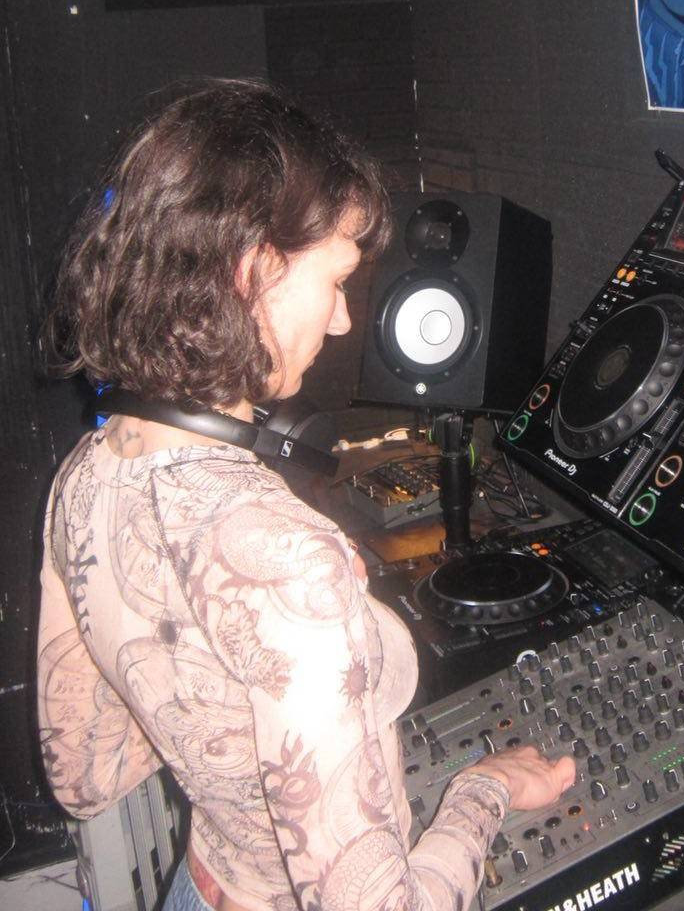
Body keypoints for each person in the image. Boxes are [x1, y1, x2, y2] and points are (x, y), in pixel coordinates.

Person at [37, 79, 575, 911]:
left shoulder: (84, 474)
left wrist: (226, 697)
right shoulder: (290, 562)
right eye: (336, 281)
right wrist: (487, 788)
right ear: (255, 272)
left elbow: (85, 771)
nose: (342, 322)